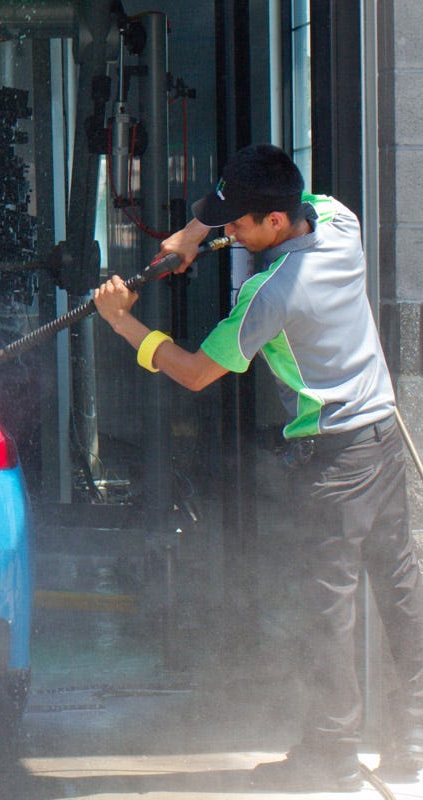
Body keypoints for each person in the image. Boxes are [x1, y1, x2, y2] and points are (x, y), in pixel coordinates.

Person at [92, 143, 423, 792]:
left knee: (328, 613)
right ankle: (414, 742)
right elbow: (238, 219)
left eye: (238, 224)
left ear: (274, 223)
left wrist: (122, 322)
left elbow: (193, 373)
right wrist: (192, 236)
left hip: (333, 462)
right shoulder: (335, 220)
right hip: (380, 438)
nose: (232, 232)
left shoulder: (272, 298)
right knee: (401, 591)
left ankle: (332, 755)